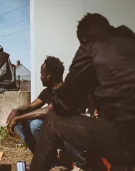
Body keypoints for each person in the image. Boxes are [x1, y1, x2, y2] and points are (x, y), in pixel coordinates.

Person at [30, 13, 135, 171]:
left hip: (124, 136)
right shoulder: (129, 40)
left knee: (53, 120)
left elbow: (67, 100)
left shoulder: (92, 47)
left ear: (85, 38)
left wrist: (56, 105)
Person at [6, 56, 64, 153]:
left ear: (48, 76)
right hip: (54, 131)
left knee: (35, 124)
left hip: (68, 134)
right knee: (21, 122)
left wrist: (17, 118)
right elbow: (31, 106)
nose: (40, 77)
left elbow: (47, 111)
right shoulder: (48, 91)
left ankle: (49, 157)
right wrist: (16, 111)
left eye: (42, 74)